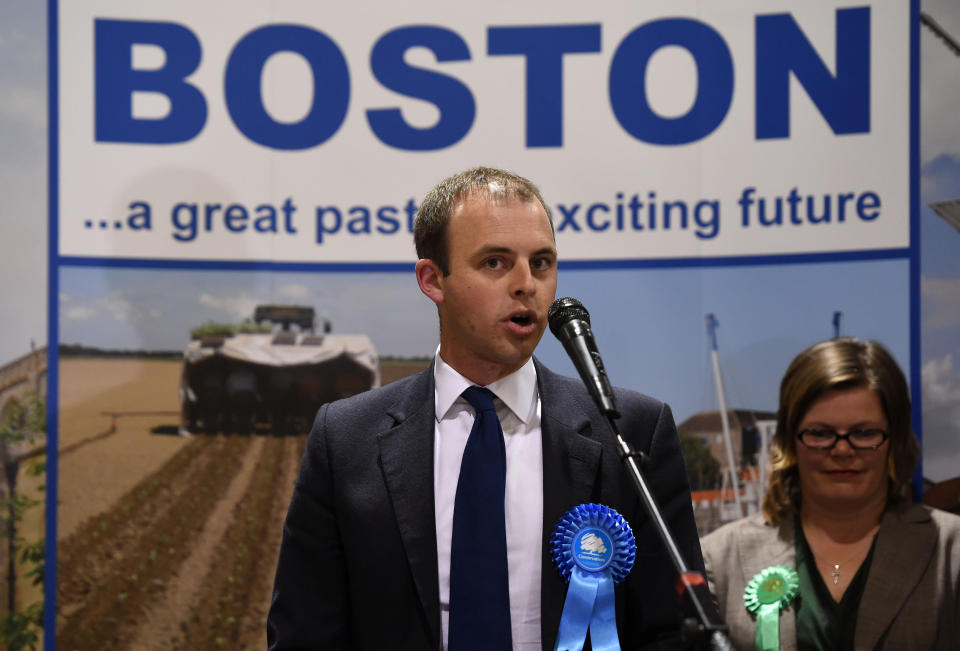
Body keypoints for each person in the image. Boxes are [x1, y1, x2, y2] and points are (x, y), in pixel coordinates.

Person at [267, 167, 703, 650]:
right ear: (433, 279)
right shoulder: (345, 439)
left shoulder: (632, 433)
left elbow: (673, 631)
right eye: (495, 263)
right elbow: (304, 636)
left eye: (541, 263)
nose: (526, 284)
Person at [701, 338, 960, 650]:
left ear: (895, 439)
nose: (841, 450)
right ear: (789, 441)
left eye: (864, 433)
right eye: (820, 433)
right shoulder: (718, 559)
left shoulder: (951, 552)